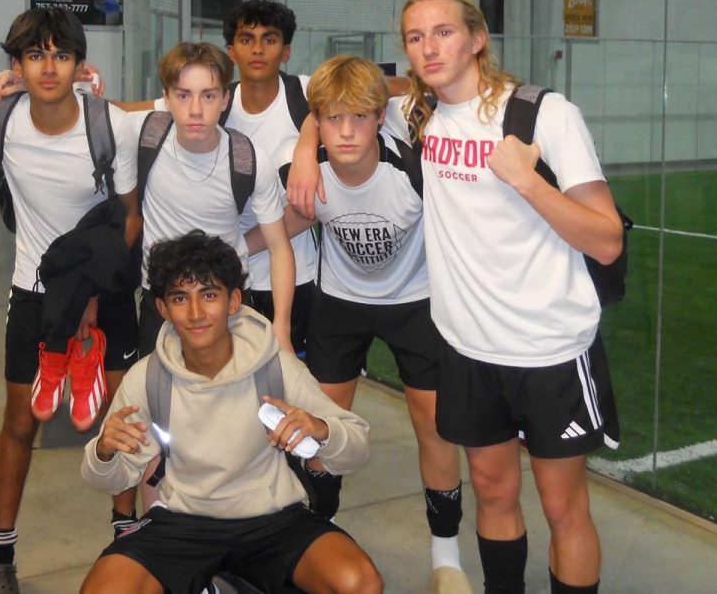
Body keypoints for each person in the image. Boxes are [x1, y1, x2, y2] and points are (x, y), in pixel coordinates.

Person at [291, 0, 622, 594]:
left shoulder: (542, 114)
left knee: (561, 507)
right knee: (494, 493)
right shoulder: (420, 115)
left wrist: (528, 182)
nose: (428, 46)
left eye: (443, 32)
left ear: (477, 38)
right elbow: (334, 97)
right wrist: (305, 152)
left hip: (549, 346)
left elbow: (605, 241)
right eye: (415, 37)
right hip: (468, 348)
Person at [251, 55, 471, 593]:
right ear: (318, 121)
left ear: (381, 118)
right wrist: (226, 254)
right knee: (318, 427)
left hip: (414, 302)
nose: (346, 132)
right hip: (339, 302)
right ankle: (318, 535)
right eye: (331, 120)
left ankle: (448, 560)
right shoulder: (295, 168)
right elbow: (297, 220)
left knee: (434, 424)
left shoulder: (416, 166)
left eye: (360, 118)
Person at [0, 8, 143, 593]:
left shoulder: (110, 125)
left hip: (104, 292)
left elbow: (129, 217)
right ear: (17, 64)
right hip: (33, 291)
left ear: (80, 64)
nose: (48, 67)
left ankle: (126, 535)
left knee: (120, 417)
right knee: (20, 422)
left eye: (61, 55)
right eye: (36, 55)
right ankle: (0, 553)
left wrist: (93, 288)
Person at [79, 231, 381, 594]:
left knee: (359, 583)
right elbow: (110, 479)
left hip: (273, 520)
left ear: (233, 300)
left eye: (208, 295)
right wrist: (104, 452)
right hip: (182, 523)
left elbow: (357, 448)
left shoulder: (276, 368)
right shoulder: (148, 377)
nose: (195, 314)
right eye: (179, 298)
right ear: (162, 308)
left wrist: (322, 430)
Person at [134, 42, 297, 356]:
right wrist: (15, 88)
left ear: (225, 99)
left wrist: (281, 326)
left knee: (235, 402)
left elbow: (279, 247)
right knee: (159, 401)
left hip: (228, 302)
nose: (196, 110)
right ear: (165, 98)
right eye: (183, 95)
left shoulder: (248, 159)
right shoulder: (144, 137)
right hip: (163, 301)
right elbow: (80, 113)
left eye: (208, 95)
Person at [220, 0, 318, 356]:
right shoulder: (214, 104)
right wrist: (82, 96)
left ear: (287, 51)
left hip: (297, 277)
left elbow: (372, 88)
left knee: (292, 394)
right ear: (231, 51)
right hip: (232, 279)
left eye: (270, 39)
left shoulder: (307, 95)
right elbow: (149, 109)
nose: (258, 48)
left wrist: (308, 145)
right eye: (247, 39)